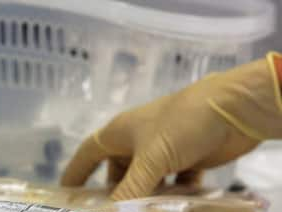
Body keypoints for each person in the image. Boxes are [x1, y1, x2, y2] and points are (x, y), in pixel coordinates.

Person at [61, 52, 282, 201]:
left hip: (219, 117)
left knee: (98, 155)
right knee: (97, 153)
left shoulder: (243, 119)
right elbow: (121, 204)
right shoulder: (203, 117)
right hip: (199, 119)